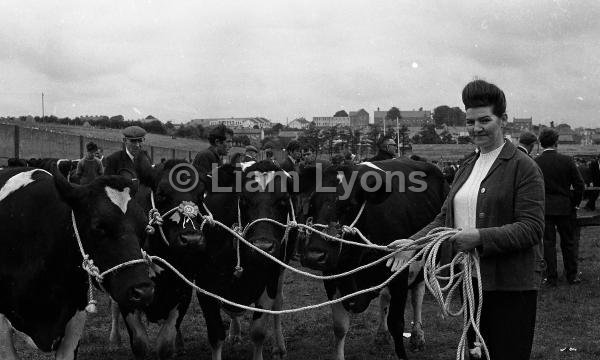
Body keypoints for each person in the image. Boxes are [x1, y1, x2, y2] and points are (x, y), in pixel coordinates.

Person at [387, 80, 544, 360]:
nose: (476, 128)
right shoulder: (466, 167)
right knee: (476, 355)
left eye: (485, 120)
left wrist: (479, 238)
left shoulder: (524, 167)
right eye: (470, 121)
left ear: (503, 120)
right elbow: (444, 218)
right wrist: (413, 243)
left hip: (511, 287)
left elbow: (531, 228)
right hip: (471, 283)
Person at [535, 128, 585, 286]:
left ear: (541, 143)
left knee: (548, 244)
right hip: (565, 208)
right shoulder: (567, 160)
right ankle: (572, 276)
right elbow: (579, 185)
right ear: (556, 142)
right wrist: (575, 204)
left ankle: (551, 278)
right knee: (568, 243)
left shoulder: (535, 162)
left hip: (545, 209)